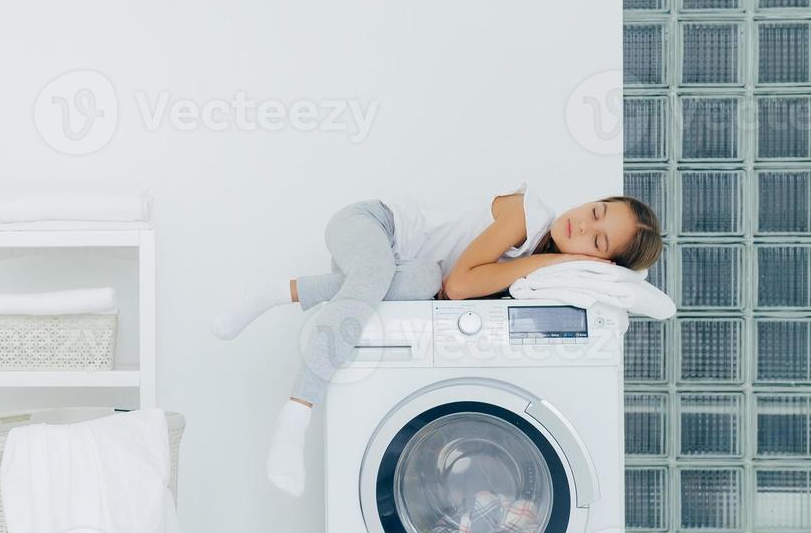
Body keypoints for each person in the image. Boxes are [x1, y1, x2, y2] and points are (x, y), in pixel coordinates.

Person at [212, 184, 663, 496]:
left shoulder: (537, 260)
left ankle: (274, 293)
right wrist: (547, 266)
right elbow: (463, 285)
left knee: (419, 283)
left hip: (406, 270)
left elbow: (446, 287)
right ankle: (297, 413)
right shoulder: (528, 212)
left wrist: (549, 267)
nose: (583, 226)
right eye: (596, 212)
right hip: (370, 224)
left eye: (598, 241)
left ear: (599, 262)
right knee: (376, 277)